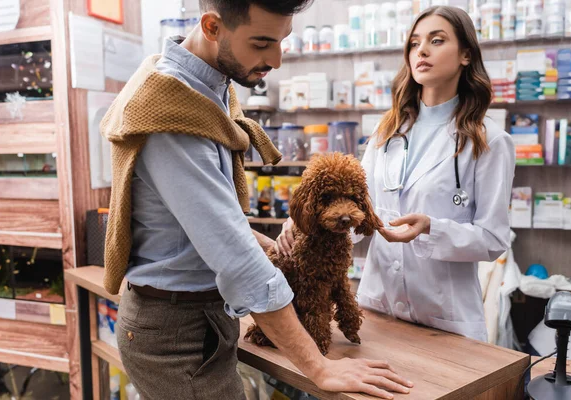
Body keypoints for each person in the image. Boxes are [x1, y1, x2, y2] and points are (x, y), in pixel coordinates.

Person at [99, 1, 414, 399]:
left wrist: (262, 241)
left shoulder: (207, 87)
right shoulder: (173, 112)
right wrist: (319, 367)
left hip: (202, 317)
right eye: (262, 43)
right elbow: (239, 266)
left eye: (282, 41)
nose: (277, 60)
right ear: (212, 27)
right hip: (176, 334)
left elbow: (197, 217)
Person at [277, 6, 515, 343]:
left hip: (445, 320)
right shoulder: (386, 131)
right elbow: (357, 220)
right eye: (414, 43)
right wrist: (305, 224)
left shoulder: (490, 141)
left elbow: (492, 239)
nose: (422, 50)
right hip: (377, 308)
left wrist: (431, 229)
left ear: (465, 55)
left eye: (436, 40)